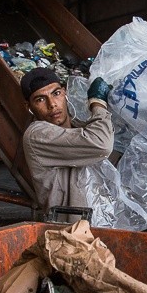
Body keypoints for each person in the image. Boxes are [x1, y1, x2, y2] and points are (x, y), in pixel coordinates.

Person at [21, 67, 114, 220]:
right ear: (28, 107)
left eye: (56, 94)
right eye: (40, 99)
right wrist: (97, 103)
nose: (52, 104)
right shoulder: (37, 136)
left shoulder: (80, 127)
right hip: (70, 233)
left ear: (65, 93)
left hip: (101, 224)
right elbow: (102, 144)